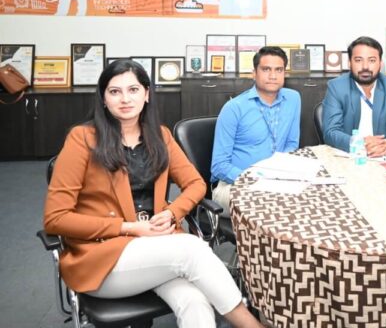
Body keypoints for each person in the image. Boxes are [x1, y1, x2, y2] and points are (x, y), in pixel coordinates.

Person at [43, 59, 263, 328]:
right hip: (104, 260)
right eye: (115, 91)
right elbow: (56, 219)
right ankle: (250, 324)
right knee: (193, 249)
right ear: (103, 99)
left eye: (133, 90)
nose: (125, 99)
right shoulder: (82, 138)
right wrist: (129, 227)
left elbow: (195, 184)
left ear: (146, 94)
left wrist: (172, 213)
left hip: (158, 250)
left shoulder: (160, 136)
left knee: (195, 302)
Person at [211, 46, 300, 207]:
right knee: (274, 204)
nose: (273, 76)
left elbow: (291, 144)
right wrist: (255, 178)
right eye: (266, 69)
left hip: (276, 180)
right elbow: (219, 166)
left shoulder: (293, 99)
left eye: (279, 70)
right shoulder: (234, 108)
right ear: (254, 73)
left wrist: (280, 172)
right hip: (234, 184)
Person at [322, 36, 386, 156]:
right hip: (350, 154)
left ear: (380, 63)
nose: (365, 66)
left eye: (372, 60)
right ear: (349, 63)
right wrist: (360, 143)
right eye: (358, 60)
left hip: (384, 155)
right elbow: (331, 132)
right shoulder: (337, 87)